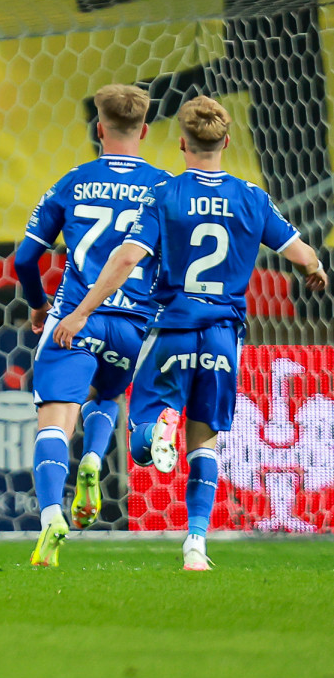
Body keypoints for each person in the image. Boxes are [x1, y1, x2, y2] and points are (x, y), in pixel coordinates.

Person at [53, 95, 328, 570]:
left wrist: (81, 312)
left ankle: (159, 426)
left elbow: (127, 258)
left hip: (173, 328)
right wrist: (315, 267)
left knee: (141, 438)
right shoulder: (251, 197)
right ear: (227, 141)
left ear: (182, 143)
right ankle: (196, 544)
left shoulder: (165, 195)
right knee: (205, 442)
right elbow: (300, 253)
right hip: (223, 335)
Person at [16, 84, 172, 567]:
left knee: (54, 421)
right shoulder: (166, 187)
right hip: (132, 325)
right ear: (144, 131)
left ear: (99, 128)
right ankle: (94, 457)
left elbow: (24, 259)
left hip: (74, 318)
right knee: (107, 395)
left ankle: (50, 518)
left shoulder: (73, 181)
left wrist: (39, 306)